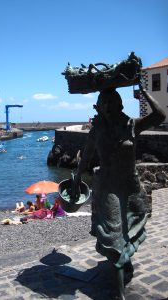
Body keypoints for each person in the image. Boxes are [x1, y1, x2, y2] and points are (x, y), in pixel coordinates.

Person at [73, 84, 166, 298]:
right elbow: (86, 157)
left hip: (130, 185)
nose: (107, 106)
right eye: (103, 102)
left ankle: (125, 263)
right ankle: (119, 285)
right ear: (97, 107)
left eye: (111, 101)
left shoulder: (132, 124)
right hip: (108, 186)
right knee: (114, 231)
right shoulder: (97, 130)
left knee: (130, 226)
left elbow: (160, 114)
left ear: (120, 103)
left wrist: (142, 90)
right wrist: (77, 178)